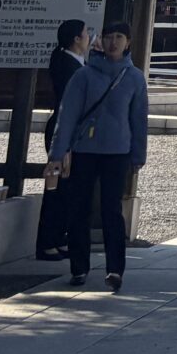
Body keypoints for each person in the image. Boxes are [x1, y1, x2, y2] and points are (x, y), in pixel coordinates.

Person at [49, 19, 148, 291]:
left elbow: (138, 120)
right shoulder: (84, 75)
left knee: (111, 210)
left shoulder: (134, 78)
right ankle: (79, 266)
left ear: (128, 42)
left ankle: (115, 268)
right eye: (109, 36)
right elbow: (67, 115)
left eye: (119, 37)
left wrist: (138, 154)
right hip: (85, 150)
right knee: (78, 208)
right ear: (100, 41)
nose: (113, 42)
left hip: (117, 152)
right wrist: (58, 152)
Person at [33, 19, 91, 261]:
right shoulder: (67, 65)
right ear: (76, 39)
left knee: (67, 189)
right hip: (64, 132)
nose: (89, 37)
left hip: (71, 131)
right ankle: (47, 241)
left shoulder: (73, 62)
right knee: (56, 188)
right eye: (86, 33)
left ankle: (58, 237)